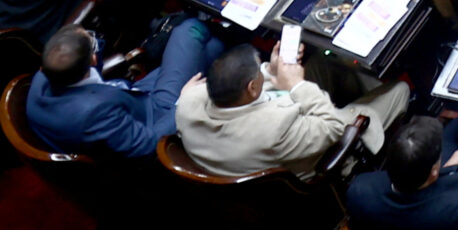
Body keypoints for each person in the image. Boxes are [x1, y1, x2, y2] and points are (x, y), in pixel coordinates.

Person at [174, 41, 408, 177]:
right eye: (259, 68)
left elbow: (198, 93)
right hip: (318, 154)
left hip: (254, 147)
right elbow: (335, 126)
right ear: (252, 87)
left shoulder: (187, 104)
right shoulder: (276, 131)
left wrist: (271, 70)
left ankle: (362, 90)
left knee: (319, 62)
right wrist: (297, 85)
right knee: (400, 89)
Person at [25, 19, 228, 158]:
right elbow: (148, 146)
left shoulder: (44, 76)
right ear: (92, 59)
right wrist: (183, 101)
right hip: (155, 115)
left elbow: (86, 66)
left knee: (210, 49)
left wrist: (86, 45)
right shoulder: (95, 115)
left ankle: (228, 53)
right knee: (189, 29)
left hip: (128, 98)